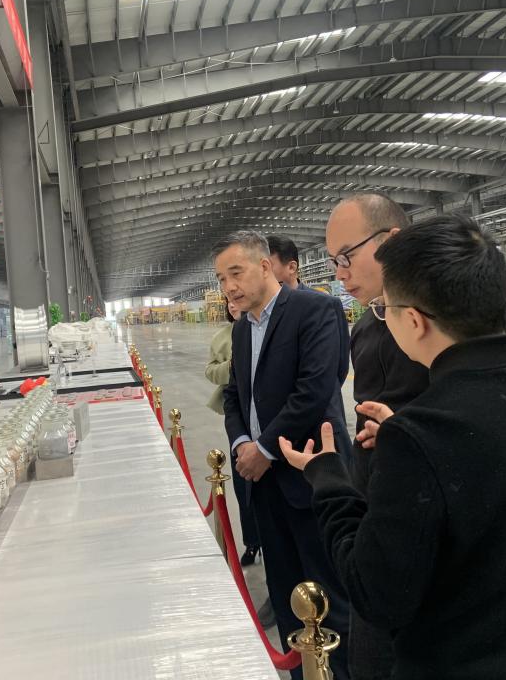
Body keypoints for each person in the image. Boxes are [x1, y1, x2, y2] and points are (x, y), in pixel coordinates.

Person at [279, 215, 506, 680]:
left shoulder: (421, 436)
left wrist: (328, 478)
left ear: (414, 321)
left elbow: (377, 592)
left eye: (385, 310)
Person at [326, 194, 506, 680]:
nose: (340, 273)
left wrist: (407, 433)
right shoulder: (366, 327)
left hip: (446, 545)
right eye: (333, 261)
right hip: (384, 519)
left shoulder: (471, 318)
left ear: (392, 241)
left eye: (346, 256)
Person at [214, 231, 352, 680]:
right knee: (286, 592)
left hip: (309, 475)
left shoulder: (314, 310)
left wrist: (265, 449)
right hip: (263, 485)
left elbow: (315, 389)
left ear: (264, 267)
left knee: (329, 597)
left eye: (236, 273)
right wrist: (242, 444)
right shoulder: (241, 328)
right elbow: (234, 396)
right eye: (221, 279)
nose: (229, 287)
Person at [205, 298, 261, 566]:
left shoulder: (265, 329)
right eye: (228, 302)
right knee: (243, 483)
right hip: (237, 414)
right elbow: (210, 371)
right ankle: (252, 542)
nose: (232, 305)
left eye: (236, 300)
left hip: (263, 414)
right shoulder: (222, 337)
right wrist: (230, 367)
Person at [267, 234, 350, 385]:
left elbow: (340, 365)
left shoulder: (326, 306)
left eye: (268, 266)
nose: (263, 273)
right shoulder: (260, 312)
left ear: (291, 267)